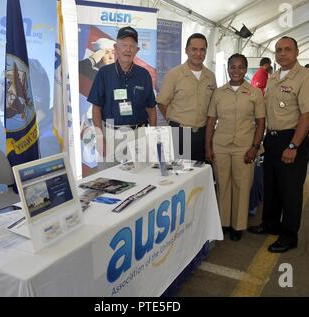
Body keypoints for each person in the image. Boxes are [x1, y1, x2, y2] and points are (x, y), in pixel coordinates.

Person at [248, 36, 309, 253]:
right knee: (272, 187)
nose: (282, 53)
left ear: (296, 52)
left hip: (291, 139)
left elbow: (307, 114)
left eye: (287, 49)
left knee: (290, 191)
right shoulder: (275, 76)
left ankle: (289, 236)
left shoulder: (305, 78)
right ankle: (270, 224)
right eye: (278, 50)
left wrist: (293, 146)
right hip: (272, 139)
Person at [205, 53, 265, 241]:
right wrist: (208, 146)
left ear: (246, 69)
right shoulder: (219, 92)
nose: (236, 71)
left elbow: (261, 122)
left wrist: (255, 147)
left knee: (242, 185)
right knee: (223, 184)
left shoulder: (255, 93)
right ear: (228, 69)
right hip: (221, 145)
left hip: (244, 146)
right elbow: (211, 120)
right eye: (233, 67)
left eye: (240, 67)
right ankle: (223, 223)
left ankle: (238, 225)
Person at [88, 26, 157, 171]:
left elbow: (151, 109)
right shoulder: (103, 74)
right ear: (116, 47)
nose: (128, 49)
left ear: (137, 50)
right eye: (124, 45)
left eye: (132, 46)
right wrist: (100, 138)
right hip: (111, 135)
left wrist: (152, 136)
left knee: (142, 179)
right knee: (109, 181)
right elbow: (96, 108)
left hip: (139, 136)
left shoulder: (144, 75)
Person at [157, 33, 217, 162]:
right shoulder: (174, 74)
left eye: (202, 50)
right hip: (180, 133)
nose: (198, 53)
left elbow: (213, 106)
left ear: (206, 52)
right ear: (186, 50)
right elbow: (162, 102)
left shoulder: (210, 76)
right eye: (194, 49)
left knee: (198, 177)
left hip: (202, 134)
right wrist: (173, 122)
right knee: (180, 175)